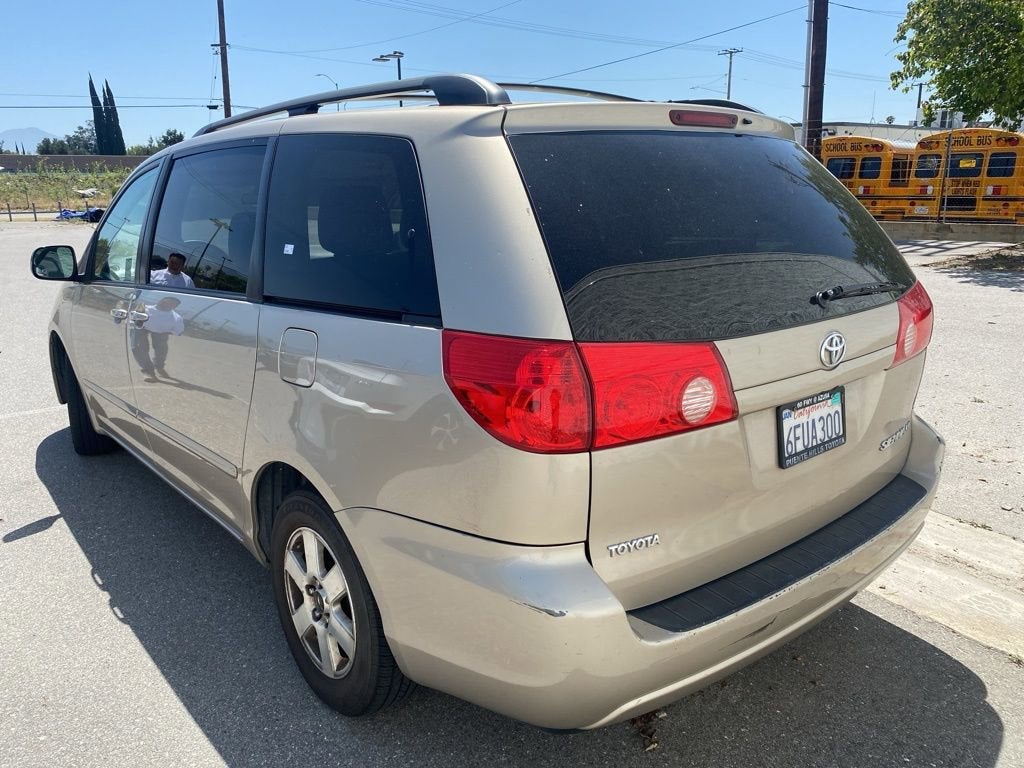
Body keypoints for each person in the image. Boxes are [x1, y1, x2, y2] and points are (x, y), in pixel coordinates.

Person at [132, 297, 185, 381]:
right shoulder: (144, 308)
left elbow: (179, 332)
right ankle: (148, 371)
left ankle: (159, 366)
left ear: (174, 307)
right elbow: (133, 318)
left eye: (173, 304)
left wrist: (164, 330)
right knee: (139, 346)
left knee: (162, 349)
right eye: (167, 301)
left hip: (162, 331)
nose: (168, 304)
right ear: (161, 300)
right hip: (142, 327)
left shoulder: (176, 318)